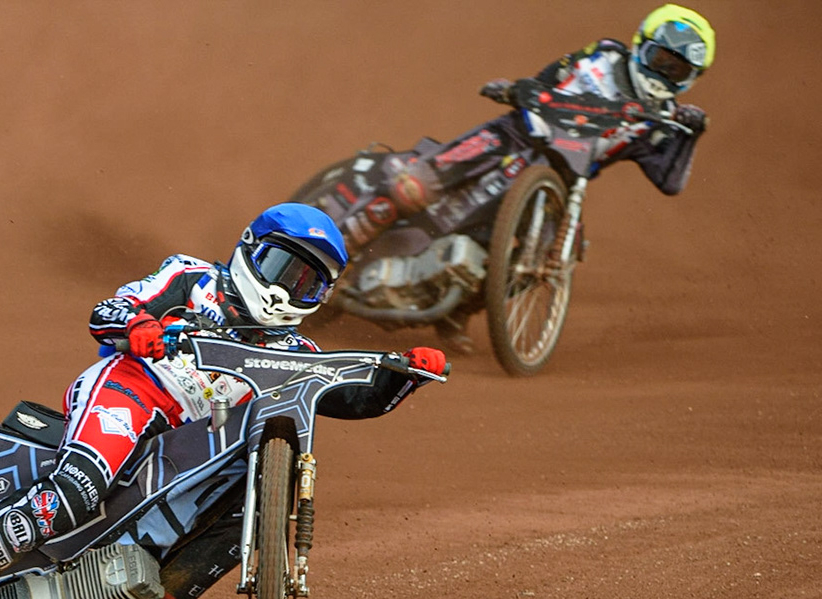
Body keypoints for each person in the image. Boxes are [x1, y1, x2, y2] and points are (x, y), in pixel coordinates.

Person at [0, 203, 446, 599]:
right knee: (80, 485)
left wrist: (400, 378)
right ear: (251, 248)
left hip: (190, 441)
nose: (286, 288)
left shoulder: (298, 355)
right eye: (281, 266)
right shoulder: (190, 278)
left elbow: (349, 399)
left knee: (245, 511)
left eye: (308, 280)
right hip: (132, 391)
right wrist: (140, 327)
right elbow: (108, 309)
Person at [304, 4, 713, 347]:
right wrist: (520, 90)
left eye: (676, 71)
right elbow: (548, 78)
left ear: (690, 78)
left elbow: (669, 181)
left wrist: (690, 135)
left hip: (559, 183)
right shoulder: (603, 56)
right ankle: (326, 268)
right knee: (412, 186)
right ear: (643, 45)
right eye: (661, 60)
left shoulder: (660, 122)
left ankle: (456, 311)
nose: (664, 75)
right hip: (512, 138)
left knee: (548, 260)